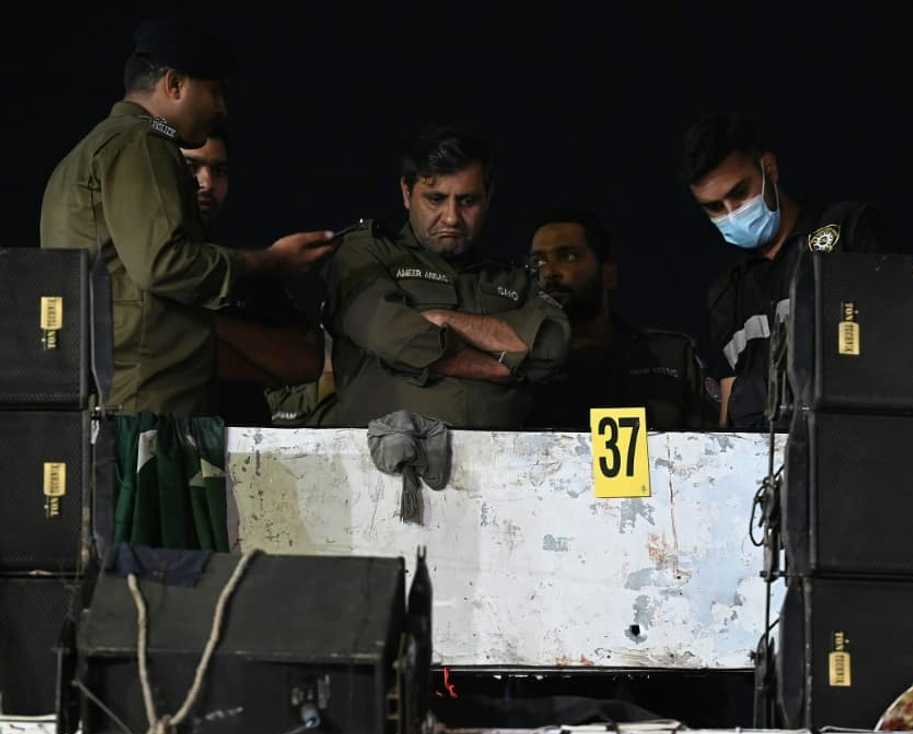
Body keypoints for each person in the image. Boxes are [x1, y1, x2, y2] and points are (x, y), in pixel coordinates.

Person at [39, 18, 336, 415]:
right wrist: (271, 260)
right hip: (147, 405)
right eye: (214, 92)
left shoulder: (89, 151)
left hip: (110, 396)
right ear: (174, 85)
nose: (221, 108)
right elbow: (164, 264)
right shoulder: (144, 143)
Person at [323, 123, 569, 427]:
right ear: (406, 192)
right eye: (435, 199)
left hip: (503, 466)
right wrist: (497, 366)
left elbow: (552, 344)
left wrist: (445, 319)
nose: (452, 217)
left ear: (488, 197)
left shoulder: (510, 278)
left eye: (467, 201)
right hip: (385, 466)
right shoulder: (366, 254)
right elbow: (392, 336)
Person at [681, 112, 884, 430]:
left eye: (738, 193)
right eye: (715, 207)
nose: (732, 214)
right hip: (759, 468)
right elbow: (729, 400)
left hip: (847, 449)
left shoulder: (847, 231)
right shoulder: (724, 294)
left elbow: (894, 347)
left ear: (769, 169)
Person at [181, 127, 326, 425]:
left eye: (219, 170)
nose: (206, 182)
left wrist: (200, 323)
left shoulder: (246, 269)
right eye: (190, 167)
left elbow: (304, 363)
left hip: (245, 449)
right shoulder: (135, 264)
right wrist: (255, 357)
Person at [526, 210, 715, 430]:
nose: (549, 272)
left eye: (568, 256)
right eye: (538, 261)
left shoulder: (672, 357)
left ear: (608, 273)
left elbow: (713, 450)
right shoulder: (518, 368)